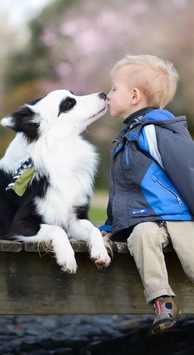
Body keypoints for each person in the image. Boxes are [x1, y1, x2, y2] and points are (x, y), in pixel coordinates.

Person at [99, 54, 194, 334]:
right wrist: (109, 227)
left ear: (135, 96)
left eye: (115, 89)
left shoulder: (156, 132)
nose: (109, 94)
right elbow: (122, 194)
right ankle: (162, 301)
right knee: (140, 237)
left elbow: (187, 171)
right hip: (145, 222)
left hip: (178, 218)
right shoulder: (124, 140)